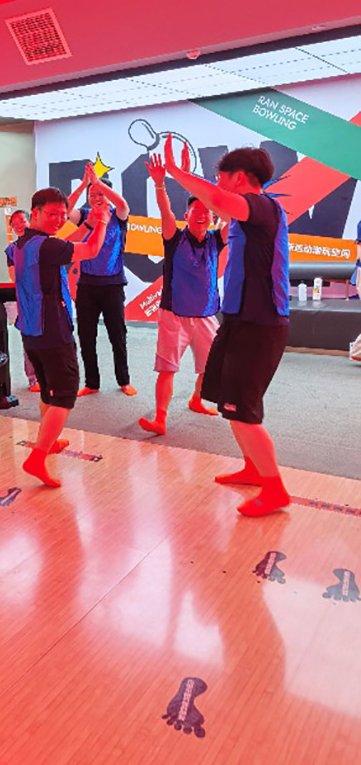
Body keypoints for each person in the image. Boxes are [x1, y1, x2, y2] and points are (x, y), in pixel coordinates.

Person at [163, 135, 291, 517]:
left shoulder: (262, 206)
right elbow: (219, 204)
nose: (217, 184)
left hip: (260, 324)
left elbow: (217, 200)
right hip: (238, 320)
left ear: (239, 177)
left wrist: (175, 172)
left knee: (244, 410)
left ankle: (275, 490)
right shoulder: (245, 216)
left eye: (221, 176)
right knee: (229, 403)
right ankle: (253, 469)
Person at [14, 187, 110, 488]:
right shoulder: (46, 246)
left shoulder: (23, 243)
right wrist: (102, 222)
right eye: (52, 214)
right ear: (36, 213)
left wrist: (89, 223)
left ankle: (49, 441)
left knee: (48, 391)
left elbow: (65, 244)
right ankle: (37, 457)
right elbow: (91, 250)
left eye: (62, 215)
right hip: (53, 331)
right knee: (65, 396)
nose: (57, 220)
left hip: (31, 331)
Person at [138, 150, 225, 436]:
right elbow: (165, 210)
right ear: (186, 215)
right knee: (167, 369)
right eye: (195, 211)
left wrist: (216, 189)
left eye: (206, 211)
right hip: (173, 315)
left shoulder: (216, 239)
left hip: (206, 315)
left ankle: (196, 399)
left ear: (212, 217)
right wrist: (159, 183)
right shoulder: (174, 238)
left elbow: (233, 216)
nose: (201, 215)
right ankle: (160, 419)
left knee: (209, 367)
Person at [67, 162, 136, 397]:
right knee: (86, 336)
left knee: (118, 335)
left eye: (100, 193)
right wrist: (84, 185)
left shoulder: (118, 215)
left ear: (108, 194)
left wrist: (97, 183)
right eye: (92, 194)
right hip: (87, 285)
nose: (96, 198)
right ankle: (91, 382)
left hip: (113, 284)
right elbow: (66, 210)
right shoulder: (85, 216)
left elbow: (123, 204)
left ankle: (124, 380)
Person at [4, 209, 39, 391]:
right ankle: (33, 378)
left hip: (45, 297)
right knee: (29, 337)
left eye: (22, 221)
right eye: (14, 223)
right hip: (26, 299)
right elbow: (14, 275)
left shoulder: (41, 242)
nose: (18, 225)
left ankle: (52, 376)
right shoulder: (12, 250)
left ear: (30, 222)